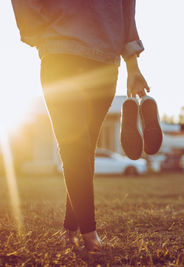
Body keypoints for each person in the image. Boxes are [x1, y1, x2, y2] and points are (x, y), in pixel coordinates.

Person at [12, 0, 162, 252]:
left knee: (84, 148)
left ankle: (71, 229)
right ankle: (89, 232)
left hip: (103, 63)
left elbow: (127, 11)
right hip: (65, 53)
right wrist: (37, 32)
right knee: (76, 147)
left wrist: (133, 68)